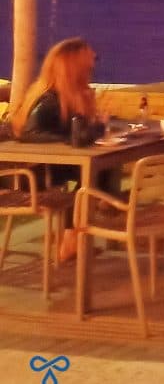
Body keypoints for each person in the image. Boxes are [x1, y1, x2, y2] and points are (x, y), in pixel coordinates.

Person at [11, 37, 108, 261]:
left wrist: (95, 127)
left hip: (57, 167)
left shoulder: (69, 96)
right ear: (74, 67)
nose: (92, 66)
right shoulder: (48, 100)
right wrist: (69, 138)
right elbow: (28, 133)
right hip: (36, 174)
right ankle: (72, 240)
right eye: (88, 63)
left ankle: (73, 237)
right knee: (95, 177)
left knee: (101, 172)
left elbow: (79, 134)